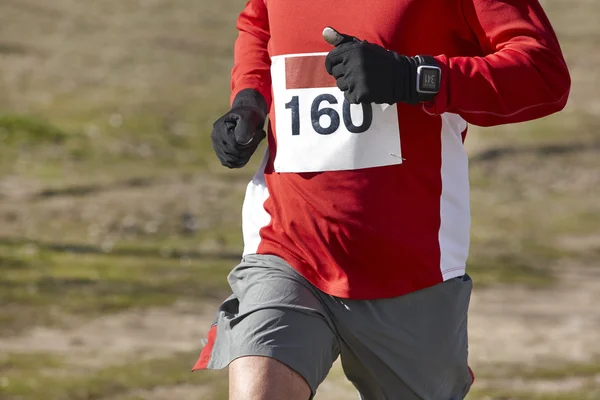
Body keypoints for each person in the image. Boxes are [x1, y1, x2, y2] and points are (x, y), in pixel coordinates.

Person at [193, 0, 571, 399]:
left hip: (412, 267)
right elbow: (260, 24)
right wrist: (249, 98)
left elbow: (542, 73)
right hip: (287, 243)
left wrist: (414, 78)